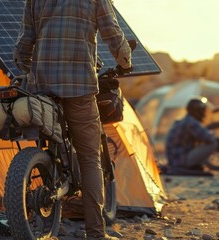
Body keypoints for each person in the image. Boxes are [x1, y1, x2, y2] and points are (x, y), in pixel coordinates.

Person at [13, 1, 132, 239]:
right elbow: (112, 32)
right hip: (80, 87)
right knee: (89, 158)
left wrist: (23, 65)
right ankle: (96, 234)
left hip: (42, 85)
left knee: (46, 133)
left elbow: (27, 38)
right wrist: (125, 60)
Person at [165, 97, 219, 175]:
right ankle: (190, 167)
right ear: (196, 110)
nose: (203, 113)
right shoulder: (191, 122)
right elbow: (208, 138)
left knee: (202, 142)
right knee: (213, 143)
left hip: (174, 160)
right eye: (202, 110)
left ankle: (193, 166)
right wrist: (218, 139)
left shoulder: (183, 120)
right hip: (181, 161)